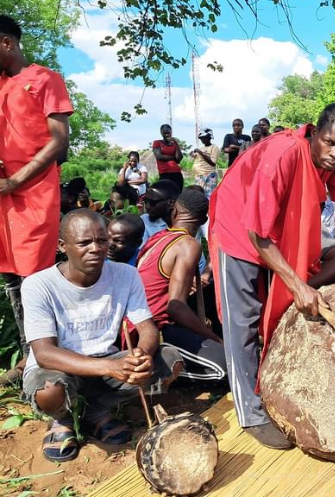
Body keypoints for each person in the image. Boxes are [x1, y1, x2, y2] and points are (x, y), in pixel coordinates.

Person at [210, 103, 335, 447]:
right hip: (240, 229)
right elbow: (257, 233)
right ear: (314, 132)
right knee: (244, 319)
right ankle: (251, 413)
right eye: (330, 143)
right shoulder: (281, 156)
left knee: (278, 310)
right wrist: (297, 283)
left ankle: (275, 387)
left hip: (279, 227)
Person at [21, 210, 183, 462]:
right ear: (63, 246)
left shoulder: (126, 274)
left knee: (170, 359)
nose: (95, 249)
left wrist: (142, 355)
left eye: (102, 241)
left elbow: (147, 328)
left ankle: (97, 410)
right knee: (49, 390)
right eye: (84, 243)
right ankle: (62, 419)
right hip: (62, 369)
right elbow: (44, 354)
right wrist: (110, 366)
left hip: (106, 365)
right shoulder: (38, 285)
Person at [0, 15, 72, 386]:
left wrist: (15, 179)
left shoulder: (45, 79)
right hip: (3, 199)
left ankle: (49, 361)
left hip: (32, 194)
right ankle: (31, 357)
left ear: (7, 43)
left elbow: (60, 142)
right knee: (11, 275)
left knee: (34, 276)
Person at [137, 190, 226, 382]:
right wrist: (213, 338)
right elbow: (175, 306)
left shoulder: (159, 237)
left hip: (142, 323)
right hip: (154, 329)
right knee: (226, 368)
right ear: (203, 220)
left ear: (174, 212)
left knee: (210, 291)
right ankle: (160, 374)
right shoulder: (188, 245)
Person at [141, 180, 181, 244]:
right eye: (145, 201)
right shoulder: (144, 220)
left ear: (171, 203)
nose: (147, 207)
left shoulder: (185, 223)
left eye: (152, 202)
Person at [152, 124, 184, 191]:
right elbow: (159, 156)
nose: (167, 135)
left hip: (176, 173)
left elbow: (179, 159)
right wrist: (173, 158)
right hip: (165, 173)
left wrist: (176, 143)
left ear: (171, 132)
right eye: (164, 133)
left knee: (178, 193)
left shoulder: (174, 144)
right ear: (161, 133)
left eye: (168, 133)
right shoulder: (157, 142)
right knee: (165, 194)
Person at [192, 129, 220, 198]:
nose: (202, 140)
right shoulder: (202, 148)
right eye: (201, 138)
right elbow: (199, 159)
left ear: (209, 137)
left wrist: (200, 153)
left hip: (209, 175)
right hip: (199, 175)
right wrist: (193, 154)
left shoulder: (214, 147)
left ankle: (210, 209)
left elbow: (213, 163)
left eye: (204, 138)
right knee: (199, 195)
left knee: (209, 196)